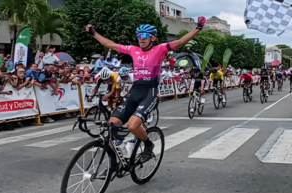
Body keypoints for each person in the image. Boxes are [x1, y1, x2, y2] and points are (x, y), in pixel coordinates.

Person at [86, 17, 207, 161]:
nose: (141, 39)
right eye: (139, 36)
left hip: (150, 93)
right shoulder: (133, 49)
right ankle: (115, 163)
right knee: (112, 125)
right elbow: (110, 44)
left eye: (144, 36)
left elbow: (180, 42)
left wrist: (198, 28)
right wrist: (94, 33)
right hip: (135, 91)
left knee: (132, 126)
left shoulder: (160, 49)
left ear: (153, 38)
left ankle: (148, 146)